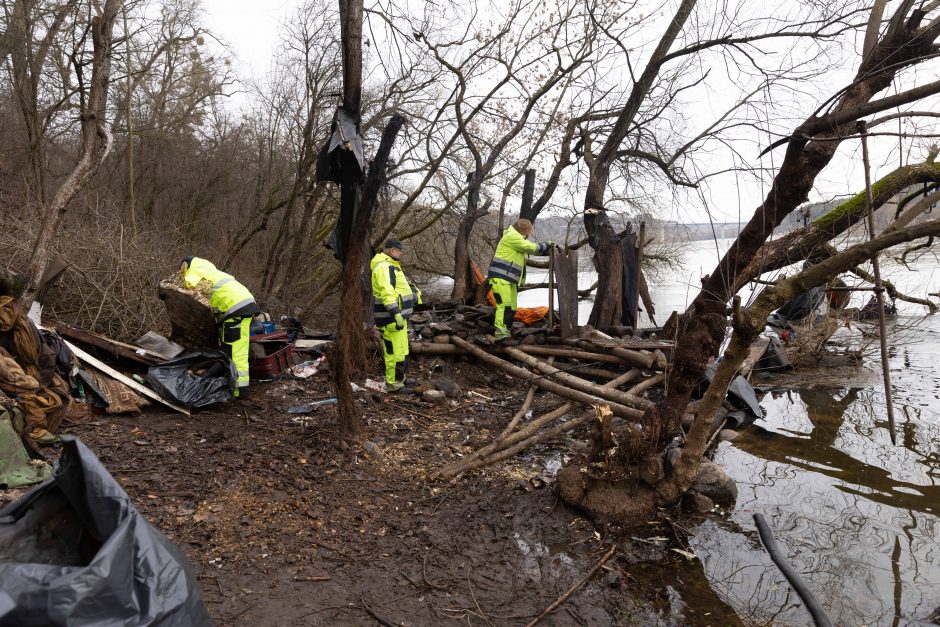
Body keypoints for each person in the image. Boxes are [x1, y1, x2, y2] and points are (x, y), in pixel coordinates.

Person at [180, 257, 260, 398]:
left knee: (234, 352)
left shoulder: (195, 271)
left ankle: (239, 391)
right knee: (237, 349)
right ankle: (238, 388)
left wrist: (179, 281)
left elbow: (186, 286)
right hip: (244, 306)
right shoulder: (212, 271)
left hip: (234, 309)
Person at [486, 218, 552, 340]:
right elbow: (532, 248)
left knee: (512, 307)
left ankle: (506, 331)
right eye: (528, 232)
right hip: (501, 278)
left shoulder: (516, 239)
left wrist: (544, 249)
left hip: (509, 279)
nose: (528, 235)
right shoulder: (512, 236)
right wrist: (547, 245)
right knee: (504, 305)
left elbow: (530, 249)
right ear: (525, 230)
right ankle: (500, 333)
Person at [370, 238, 422, 392]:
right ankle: (394, 384)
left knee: (401, 350)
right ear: (392, 250)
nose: (401, 254)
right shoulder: (384, 266)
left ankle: (400, 378)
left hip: (399, 318)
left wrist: (414, 294)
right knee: (394, 352)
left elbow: (400, 288)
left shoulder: (392, 266)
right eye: (399, 251)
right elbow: (387, 292)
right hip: (392, 318)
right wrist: (395, 312)